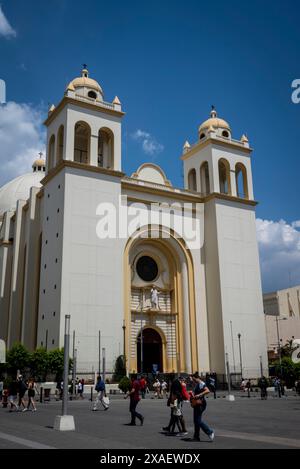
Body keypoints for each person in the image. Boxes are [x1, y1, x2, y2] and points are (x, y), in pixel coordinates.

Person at [189, 372, 214, 442]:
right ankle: (196, 437)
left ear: (196, 377)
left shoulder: (201, 383)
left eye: (193, 379)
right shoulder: (197, 384)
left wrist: (199, 395)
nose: (192, 380)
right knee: (196, 421)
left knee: (198, 421)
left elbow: (207, 390)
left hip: (201, 404)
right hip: (197, 403)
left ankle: (210, 431)